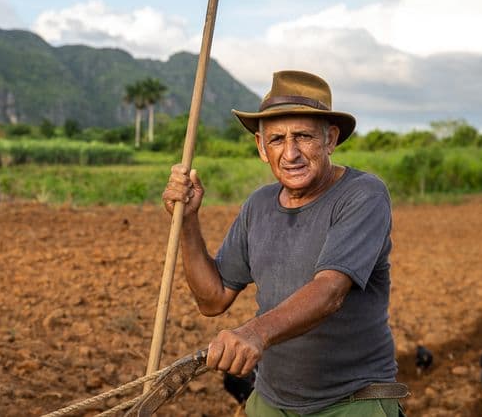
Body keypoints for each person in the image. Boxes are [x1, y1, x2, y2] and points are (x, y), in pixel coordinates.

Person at [162, 70, 407, 416]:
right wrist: (187, 220)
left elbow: (330, 290)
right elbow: (212, 299)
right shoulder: (259, 205)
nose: (290, 153)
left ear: (330, 139)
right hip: (272, 400)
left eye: (304, 136)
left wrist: (255, 333)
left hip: (352, 401)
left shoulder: (362, 194)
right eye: (277, 139)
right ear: (262, 148)